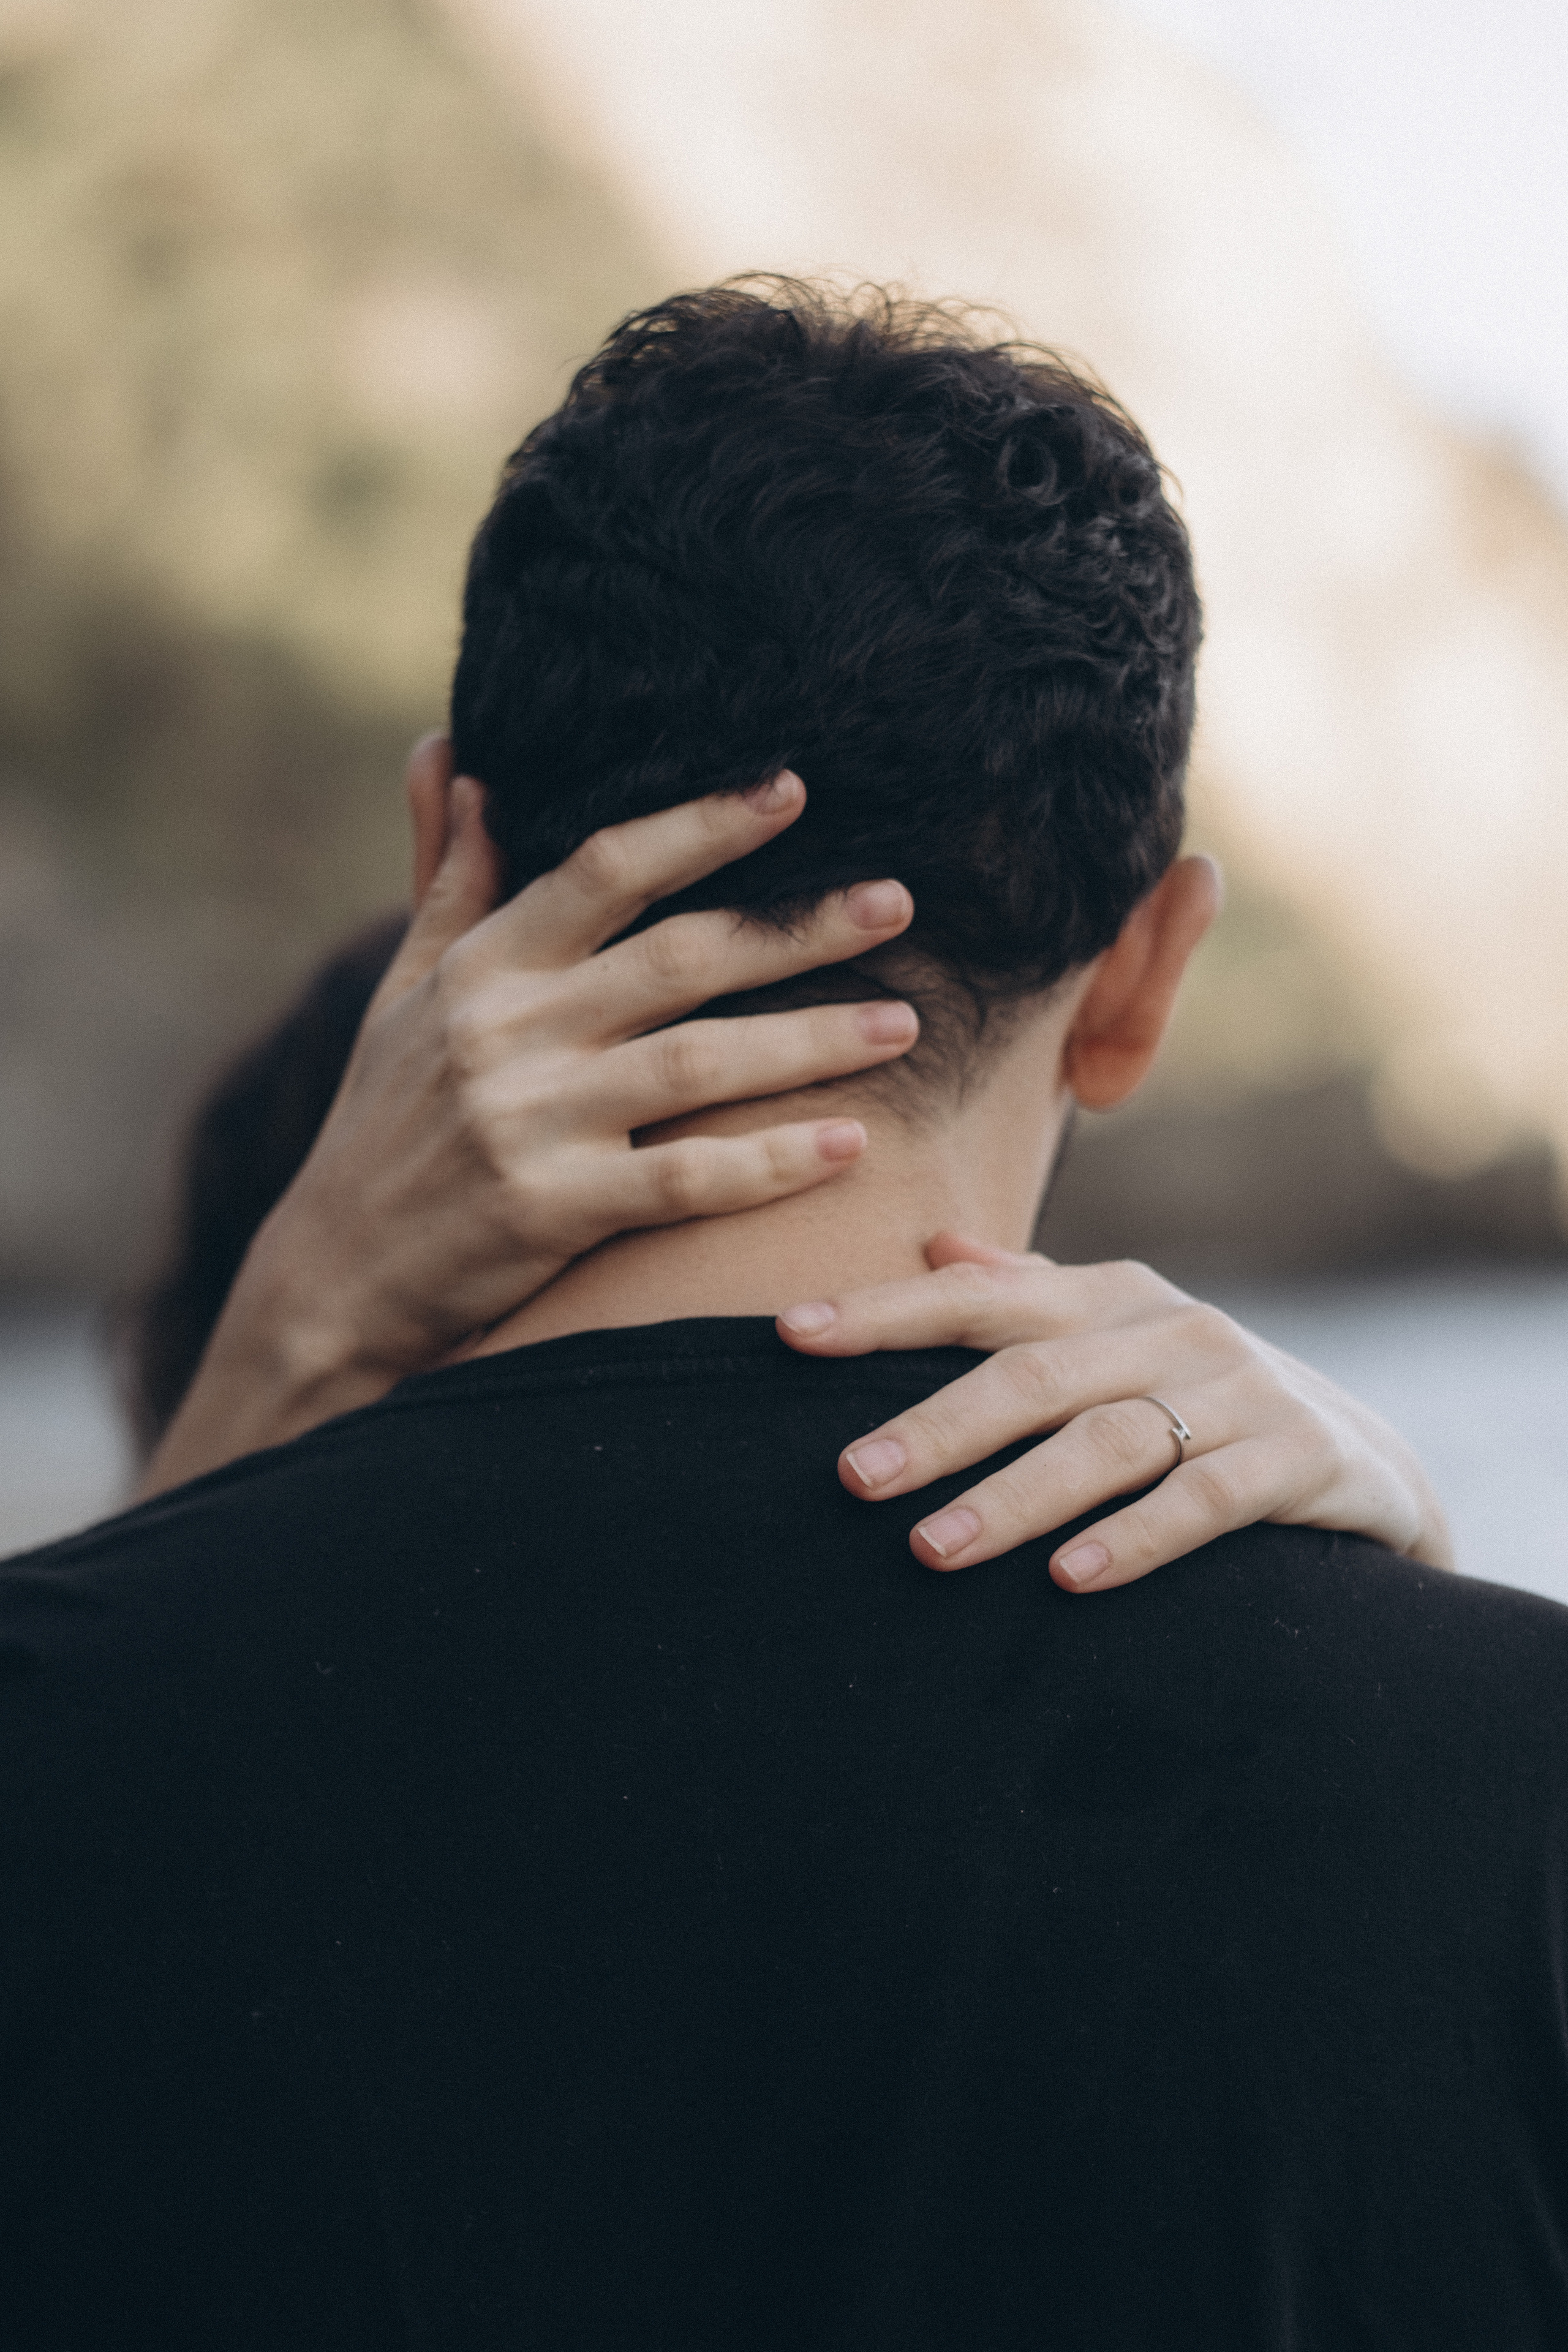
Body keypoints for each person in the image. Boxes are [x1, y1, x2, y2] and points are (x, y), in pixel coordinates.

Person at [4, 282, 1564, 2349]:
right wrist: (1432, 1617)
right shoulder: (1509, 1793)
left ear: (438, 841)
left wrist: (265, 1381)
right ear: (1143, 972)